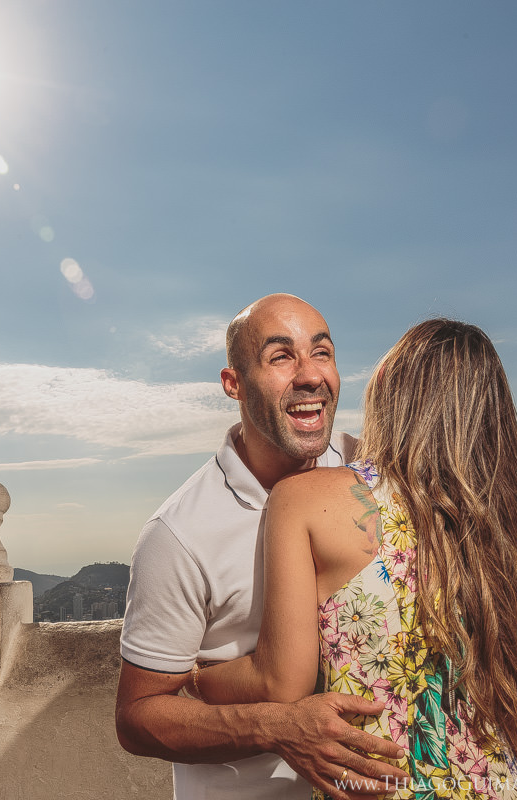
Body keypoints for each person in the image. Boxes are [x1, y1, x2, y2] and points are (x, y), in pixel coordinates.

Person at [189, 319, 517, 800]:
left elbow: (281, 680)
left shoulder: (304, 499)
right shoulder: (502, 524)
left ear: (389, 388)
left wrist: (197, 678)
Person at [115, 294, 408, 800]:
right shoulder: (179, 533)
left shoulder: (375, 467)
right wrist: (277, 728)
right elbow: (137, 717)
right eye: (280, 357)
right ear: (234, 384)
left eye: (322, 352)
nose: (310, 375)